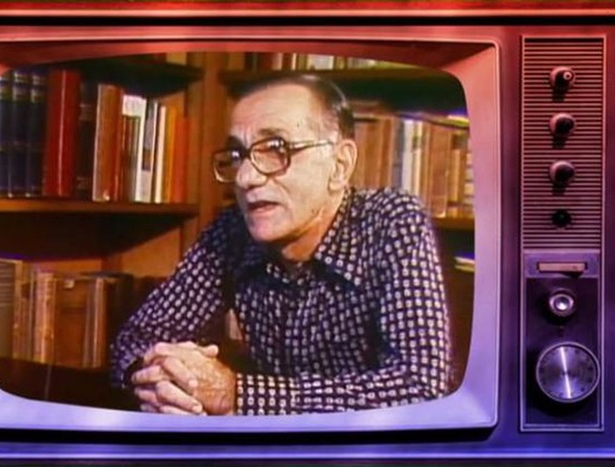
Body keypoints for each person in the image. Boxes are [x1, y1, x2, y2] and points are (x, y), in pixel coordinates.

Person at [111, 73, 450, 416]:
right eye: (237, 155)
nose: (245, 177)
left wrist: (238, 395)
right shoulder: (233, 229)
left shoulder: (392, 221)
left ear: (339, 166)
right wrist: (160, 380)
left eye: (276, 150)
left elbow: (421, 388)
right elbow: (137, 338)